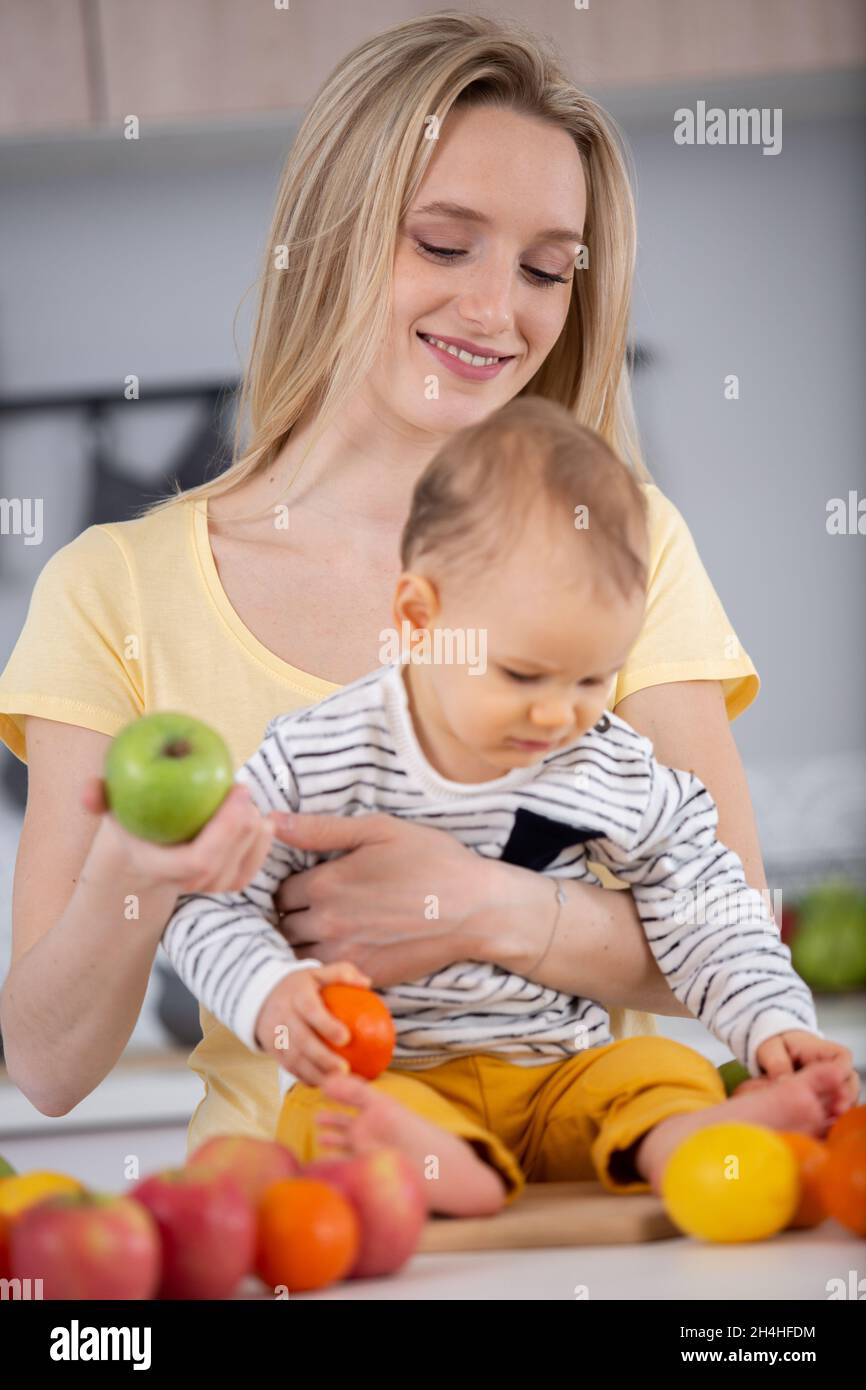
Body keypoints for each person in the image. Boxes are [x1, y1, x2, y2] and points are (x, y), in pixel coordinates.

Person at [0, 14, 769, 1152]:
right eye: (442, 243)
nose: (494, 310)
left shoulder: (619, 541)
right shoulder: (111, 592)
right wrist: (133, 868)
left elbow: (730, 942)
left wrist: (486, 905)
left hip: (569, 1218)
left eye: (544, 267)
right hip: (296, 1230)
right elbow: (50, 1068)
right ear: (328, 237)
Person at [158, 398, 857, 1214]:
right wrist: (269, 993)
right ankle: (441, 1165)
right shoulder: (318, 755)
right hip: (400, 1078)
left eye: (594, 678)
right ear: (420, 618)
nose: (560, 714)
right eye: (524, 676)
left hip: (563, 1075)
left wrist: (772, 1021)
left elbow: (708, 898)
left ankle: (698, 1139)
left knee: (661, 1077)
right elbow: (206, 902)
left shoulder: (605, 761)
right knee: (323, 1110)